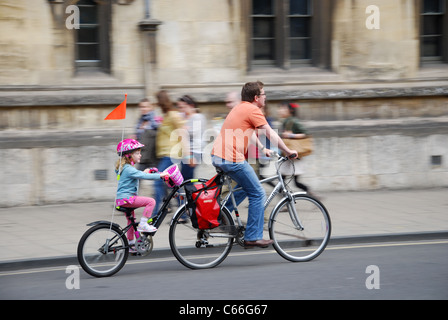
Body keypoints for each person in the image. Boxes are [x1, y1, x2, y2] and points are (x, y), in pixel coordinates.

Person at [211, 81, 297, 248]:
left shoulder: (240, 107)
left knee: (245, 187)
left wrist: (263, 148)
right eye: (264, 95)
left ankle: (223, 214)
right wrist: (287, 150)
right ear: (257, 98)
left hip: (218, 156)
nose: (265, 98)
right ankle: (253, 236)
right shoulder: (253, 109)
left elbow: (248, 132)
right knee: (258, 192)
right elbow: (270, 133)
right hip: (231, 158)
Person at [115, 139, 169, 251]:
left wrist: (146, 171)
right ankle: (143, 224)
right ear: (129, 155)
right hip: (128, 199)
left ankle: (131, 244)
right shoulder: (129, 169)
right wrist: (161, 175)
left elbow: (140, 174)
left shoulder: (125, 168)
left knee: (131, 221)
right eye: (137, 153)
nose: (140, 155)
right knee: (151, 201)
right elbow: (142, 176)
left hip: (122, 199)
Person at [154, 90, 185, 213]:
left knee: (157, 182)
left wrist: (187, 154)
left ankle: (156, 212)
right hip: (166, 154)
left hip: (171, 154)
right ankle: (183, 211)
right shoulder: (167, 116)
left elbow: (183, 131)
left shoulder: (173, 115)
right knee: (173, 185)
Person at [278, 102, 316, 197]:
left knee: (290, 181)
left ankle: (312, 196)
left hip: (293, 156)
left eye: (283, 108)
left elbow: (306, 133)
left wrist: (291, 135)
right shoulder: (286, 121)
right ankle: (286, 202)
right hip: (287, 156)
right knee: (284, 181)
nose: (280, 110)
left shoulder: (294, 121)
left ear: (290, 110)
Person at [133, 98, 160, 170]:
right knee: (137, 178)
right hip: (143, 156)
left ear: (151, 108)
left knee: (159, 178)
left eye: (146, 107)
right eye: (141, 107)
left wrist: (146, 131)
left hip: (153, 157)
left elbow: (159, 134)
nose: (143, 109)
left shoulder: (155, 120)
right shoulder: (140, 121)